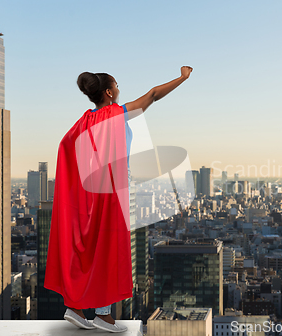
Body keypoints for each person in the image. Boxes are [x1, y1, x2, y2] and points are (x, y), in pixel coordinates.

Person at [44, 66, 193, 333]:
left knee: (84, 248)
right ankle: (103, 315)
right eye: (117, 85)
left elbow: (65, 146)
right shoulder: (117, 114)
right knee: (110, 250)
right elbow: (154, 95)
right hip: (110, 192)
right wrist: (182, 78)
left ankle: (75, 307)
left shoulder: (83, 121)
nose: (120, 89)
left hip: (86, 193)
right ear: (109, 92)